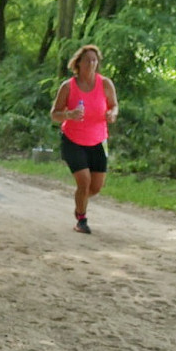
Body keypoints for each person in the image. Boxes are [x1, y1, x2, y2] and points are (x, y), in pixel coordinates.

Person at [50, 44, 119, 234]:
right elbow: (54, 114)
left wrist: (112, 114)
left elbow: (114, 106)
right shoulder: (68, 86)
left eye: (95, 60)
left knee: (95, 187)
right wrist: (69, 114)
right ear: (78, 63)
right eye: (88, 60)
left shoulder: (105, 84)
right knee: (84, 182)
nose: (92, 63)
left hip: (97, 141)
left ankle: (80, 202)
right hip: (73, 140)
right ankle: (81, 219)